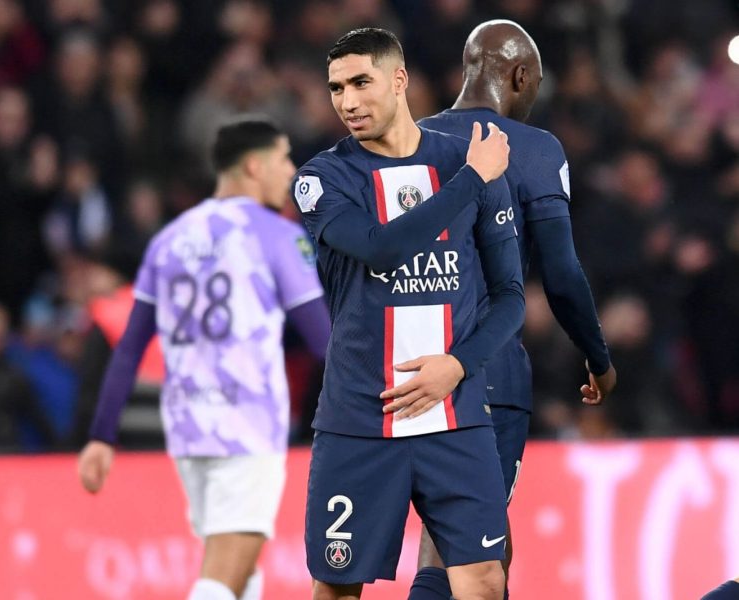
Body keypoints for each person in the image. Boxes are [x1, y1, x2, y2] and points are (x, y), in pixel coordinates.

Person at [388, 20, 617, 600]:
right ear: (520, 75)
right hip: (486, 367)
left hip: (410, 365)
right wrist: (598, 357)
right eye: (535, 82)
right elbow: (561, 276)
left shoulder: (412, 140)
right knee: (469, 552)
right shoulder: (532, 147)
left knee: (460, 532)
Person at [293, 28, 523, 600]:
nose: (347, 101)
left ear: (399, 79)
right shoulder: (320, 179)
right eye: (336, 88)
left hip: (456, 416)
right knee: (337, 589)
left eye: (361, 82)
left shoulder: (462, 158)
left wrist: (459, 365)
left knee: (485, 578)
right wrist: (473, 179)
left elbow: (511, 296)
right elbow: (380, 247)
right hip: (360, 422)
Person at [77, 116, 330, 600]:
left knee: (241, 569)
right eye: (283, 160)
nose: (291, 172)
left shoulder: (168, 240)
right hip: (247, 424)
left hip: (188, 426)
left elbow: (129, 347)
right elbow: (323, 338)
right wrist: (380, 398)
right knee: (223, 576)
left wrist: (100, 435)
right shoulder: (276, 236)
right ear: (254, 166)